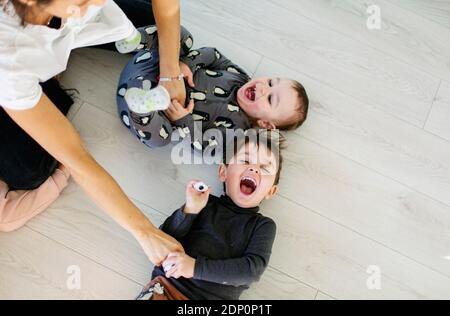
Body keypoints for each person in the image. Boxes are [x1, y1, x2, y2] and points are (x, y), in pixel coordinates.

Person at [0, 0, 188, 265]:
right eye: (81, 1)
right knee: (29, 170)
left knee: (164, 31)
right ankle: (44, 84)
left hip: (49, 34)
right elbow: (78, 159)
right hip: (18, 68)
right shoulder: (8, 61)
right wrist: (143, 231)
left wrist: (170, 73)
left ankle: (54, 63)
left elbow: (166, 8)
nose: (98, 1)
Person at [136, 130, 282, 300]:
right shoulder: (203, 202)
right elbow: (161, 240)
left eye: (265, 167)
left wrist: (195, 267)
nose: (253, 168)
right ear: (223, 172)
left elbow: (251, 270)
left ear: (271, 191)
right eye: (245, 160)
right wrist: (190, 210)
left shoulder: (263, 226)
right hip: (167, 288)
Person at [116, 25, 309, 152]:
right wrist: (187, 64)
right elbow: (213, 55)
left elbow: (203, 143)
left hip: (141, 101)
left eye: (269, 99)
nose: (262, 88)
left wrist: (183, 119)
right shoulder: (240, 77)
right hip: (151, 64)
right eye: (270, 82)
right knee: (183, 37)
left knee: (160, 139)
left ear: (266, 124)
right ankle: (137, 40)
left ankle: (142, 107)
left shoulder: (237, 130)